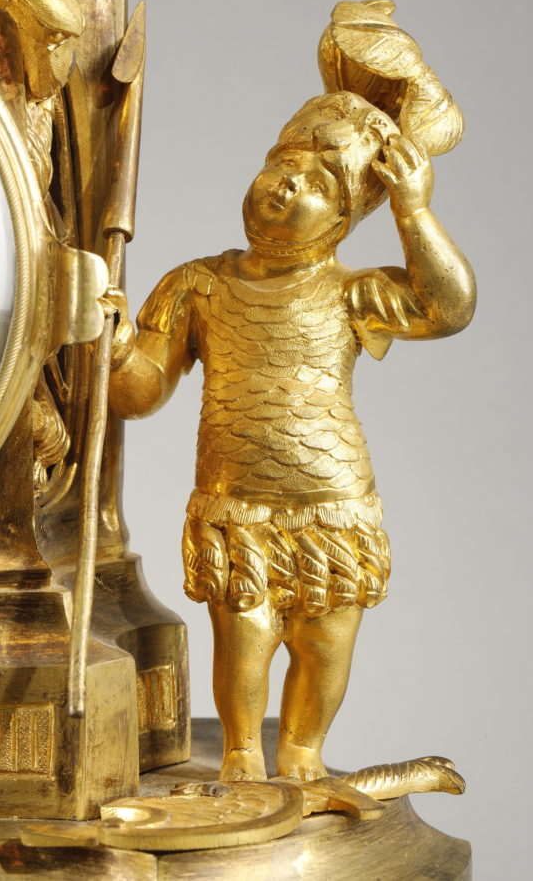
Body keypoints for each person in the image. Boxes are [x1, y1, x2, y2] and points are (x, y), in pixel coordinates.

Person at [108, 90, 476, 782]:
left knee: (325, 638)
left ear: (342, 220)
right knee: (243, 633)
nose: (286, 184)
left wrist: (414, 211)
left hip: (334, 505)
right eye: (281, 164)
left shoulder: (352, 292)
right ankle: (243, 757)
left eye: (317, 184)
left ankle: (303, 754)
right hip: (236, 504)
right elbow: (138, 393)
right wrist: (116, 345)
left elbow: (447, 307)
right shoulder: (197, 285)